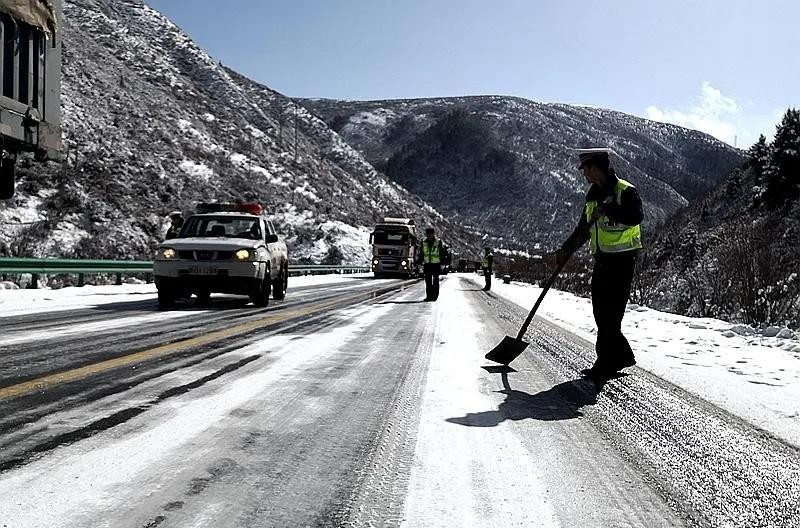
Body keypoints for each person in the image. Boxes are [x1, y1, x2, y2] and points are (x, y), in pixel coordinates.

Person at [558, 148, 643, 378]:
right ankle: (621, 356)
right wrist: (566, 249)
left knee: (611, 315)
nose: (584, 175)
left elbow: (636, 217)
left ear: (594, 168)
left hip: (623, 261)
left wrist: (610, 210)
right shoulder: (592, 197)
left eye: (585, 170)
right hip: (603, 260)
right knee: (601, 313)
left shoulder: (625, 191)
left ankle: (605, 362)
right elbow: (583, 229)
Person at [419, 226, 444, 301]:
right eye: (428, 234)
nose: (429, 235)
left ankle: (434, 297)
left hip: (436, 264)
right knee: (428, 281)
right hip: (427, 264)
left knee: (436, 281)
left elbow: (441, 253)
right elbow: (422, 253)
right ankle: (429, 296)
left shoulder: (438, 242)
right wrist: (420, 261)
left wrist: (442, 262)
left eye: (431, 234)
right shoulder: (423, 242)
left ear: (433, 234)